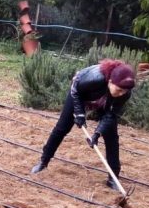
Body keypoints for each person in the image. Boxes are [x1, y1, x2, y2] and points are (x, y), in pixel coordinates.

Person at [30, 59, 136, 190]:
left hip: (105, 101)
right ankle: (43, 161)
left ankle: (113, 177)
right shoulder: (94, 79)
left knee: (112, 138)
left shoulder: (124, 92)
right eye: (119, 90)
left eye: (124, 92)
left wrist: (98, 133)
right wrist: (80, 113)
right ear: (110, 81)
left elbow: (110, 115)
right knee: (62, 128)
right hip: (79, 94)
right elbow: (75, 88)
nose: (121, 94)